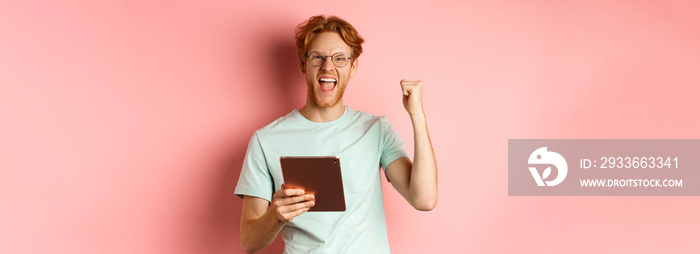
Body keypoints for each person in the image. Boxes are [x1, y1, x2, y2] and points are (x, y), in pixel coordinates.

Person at [234, 15, 438, 254]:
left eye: (339, 58)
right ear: (303, 64)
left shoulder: (377, 130)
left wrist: (417, 115)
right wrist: (275, 216)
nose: (327, 67)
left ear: (353, 68)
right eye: (317, 57)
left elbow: (424, 200)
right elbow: (248, 242)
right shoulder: (265, 140)